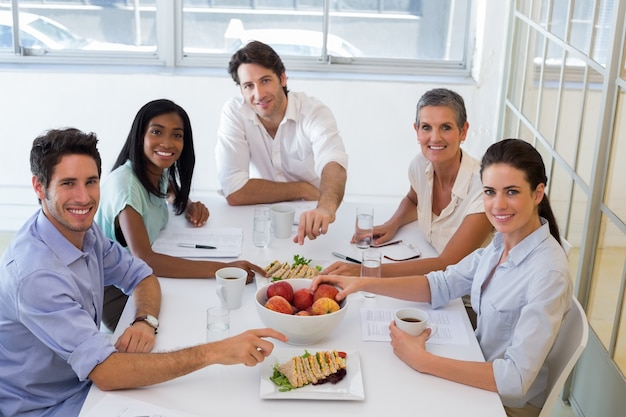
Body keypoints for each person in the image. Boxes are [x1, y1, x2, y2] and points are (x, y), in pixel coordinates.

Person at [0, 128, 286, 416]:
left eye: (91, 181)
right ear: (39, 187)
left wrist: (145, 320)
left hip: (86, 385)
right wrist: (216, 352)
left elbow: (141, 274)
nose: (84, 197)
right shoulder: (35, 275)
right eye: (68, 184)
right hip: (49, 406)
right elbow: (108, 373)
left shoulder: (83, 231)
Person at [312, 139, 573, 417]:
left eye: (511, 192)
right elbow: (442, 284)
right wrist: (365, 282)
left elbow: (515, 381)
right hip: (475, 369)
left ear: (537, 194)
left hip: (500, 404)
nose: (497, 205)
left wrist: (423, 360)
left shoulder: (547, 273)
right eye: (489, 192)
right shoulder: (501, 244)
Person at [96, 99, 265, 330]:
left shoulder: (155, 171)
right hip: (120, 294)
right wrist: (222, 268)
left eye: (177, 135)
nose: (167, 143)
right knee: (205, 320)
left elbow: (169, 190)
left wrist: (187, 205)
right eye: (156, 132)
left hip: (144, 279)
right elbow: (145, 258)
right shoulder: (125, 186)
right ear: (139, 135)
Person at [324, 88, 493, 277]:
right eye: (426, 127)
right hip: (432, 275)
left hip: (468, 297)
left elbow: (447, 264)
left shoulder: (485, 189)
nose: (435, 138)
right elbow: (414, 200)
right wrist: (392, 224)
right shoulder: (420, 164)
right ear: (417, 130)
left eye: (446, 127)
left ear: (463, 131)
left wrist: (366, 270)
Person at [216, 40, 349, 245]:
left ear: (283, 78)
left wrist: (325, 208)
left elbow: (333, 162)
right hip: (265, 218)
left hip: (314, 218)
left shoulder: (313, 111)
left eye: (265, 80)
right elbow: (234, 191)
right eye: (249, 86)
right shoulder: (235, 112)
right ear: (241, 90)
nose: (258, 94)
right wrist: (301, 189)